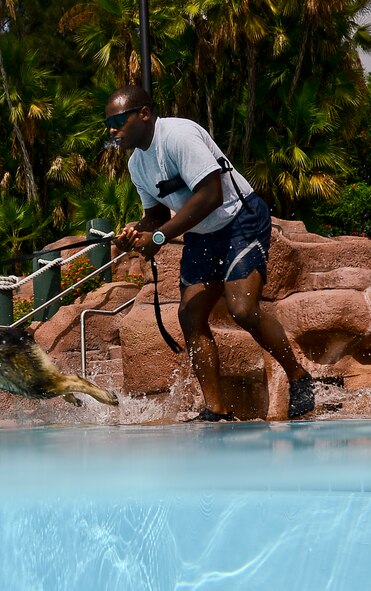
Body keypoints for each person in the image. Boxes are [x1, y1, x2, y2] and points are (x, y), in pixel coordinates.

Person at [106, 85, 316, 421]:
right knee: (190, 317)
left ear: (144, 114)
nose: (113, 130)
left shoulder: (179, 135)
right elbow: (157, 215)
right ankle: (216, 409)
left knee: (243, 310)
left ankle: (300, 377)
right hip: (203, 235)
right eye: (108, 124)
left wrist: (158, 238)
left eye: (117, 120)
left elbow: (211, 195)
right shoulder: (136, 165)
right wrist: (136, 232)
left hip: (239, 219)